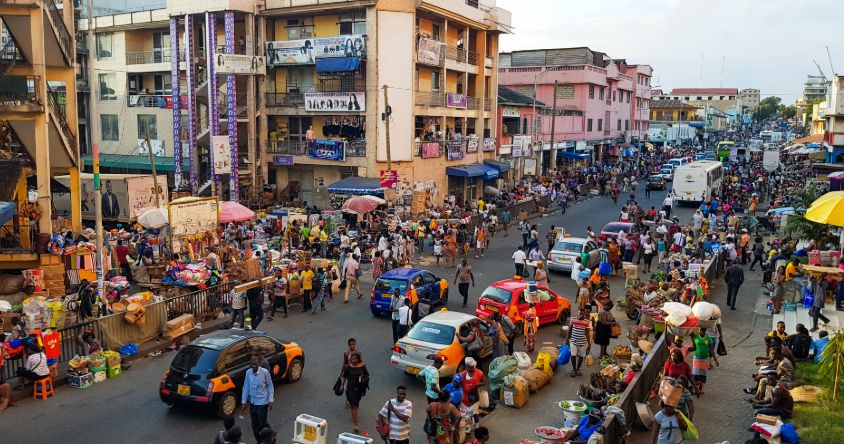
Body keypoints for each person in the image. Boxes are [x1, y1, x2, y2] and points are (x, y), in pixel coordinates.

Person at [241, 356, 274, 444]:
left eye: (255, 362)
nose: (254, 364)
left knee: (262, 423)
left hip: (262, 403)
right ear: (250, 364)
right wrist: (244, 402)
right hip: (253, 403)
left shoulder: (265, 372)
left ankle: (269, 439)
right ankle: (259, 441)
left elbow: (270, 385)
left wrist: (270, 400)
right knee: (254, 425)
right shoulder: (248, 373)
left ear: (259, 363)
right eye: (252, 362)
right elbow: (246, 387)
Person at [341, 351, 369, 432]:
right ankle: (356, 424)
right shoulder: (348, 367)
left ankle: (354, 415)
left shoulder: (362, 366)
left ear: (358, 359)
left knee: (356, 404)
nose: (353, 360)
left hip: (360, 389)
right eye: (352, 359)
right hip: (350, 389)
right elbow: (344, 376)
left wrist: (364, 379)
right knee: (353, 405)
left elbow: (367, 374)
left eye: (355, 359)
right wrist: (342, 385)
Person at [689, 327, 717, 395]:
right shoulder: (695, 336)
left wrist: (715, 360)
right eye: (701, 330)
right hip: (696, 358)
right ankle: (696, 388)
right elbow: (690, 331)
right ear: (699, 330)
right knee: (695, 373)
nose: (701, 332)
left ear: (705, 332)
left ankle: (701, 389)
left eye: (703, 331)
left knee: (702, 374)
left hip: (705, 359)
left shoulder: (708, 338)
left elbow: (712, 350)